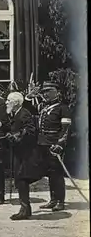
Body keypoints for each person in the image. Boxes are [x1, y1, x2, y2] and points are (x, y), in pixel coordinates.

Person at [1, 92, 38, 220]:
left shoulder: (24, 113)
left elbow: (30, 131)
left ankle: (25, 209)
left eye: (8, 100)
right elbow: (14, 127)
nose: (6, 102)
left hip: (25, 153)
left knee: (22, 179)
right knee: (19, 179)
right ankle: (25, 208)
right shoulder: (15, 113)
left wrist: (16, 136)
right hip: (18, 152)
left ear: (16, 103)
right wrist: (2, 126)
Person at [36, 82, 71, 212]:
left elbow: (65, 129)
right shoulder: (44, 108)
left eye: (49, 91)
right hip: (43, 144)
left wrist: (59, 144)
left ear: (57, 93)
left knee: (57, 174)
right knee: (50, 174)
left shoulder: (63, 108)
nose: (46, 93)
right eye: (44, 91)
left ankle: (60, 201)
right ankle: (53, 200)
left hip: (55, 145)